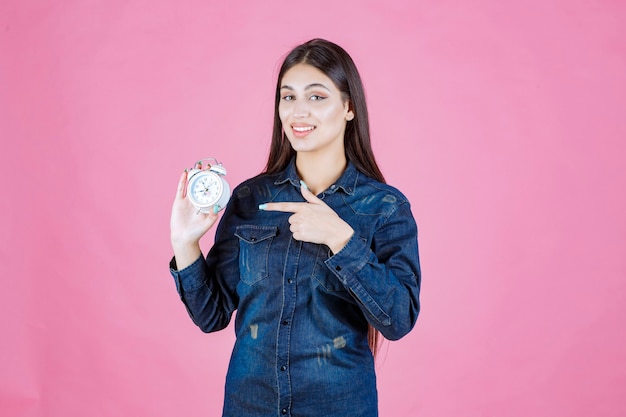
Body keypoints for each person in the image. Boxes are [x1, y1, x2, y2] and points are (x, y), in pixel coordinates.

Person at [169, 38, 421, 417]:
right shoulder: (250, 198)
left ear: (349, 107)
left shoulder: (384, 208)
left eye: (317, 97)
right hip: (249, 404)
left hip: (340, 407)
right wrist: (185, 242)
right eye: (288, 97)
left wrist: (340, 237)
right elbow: (212, 315)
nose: (298, 111)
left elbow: (398, 320)